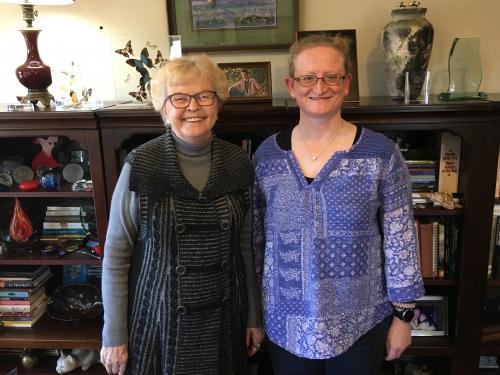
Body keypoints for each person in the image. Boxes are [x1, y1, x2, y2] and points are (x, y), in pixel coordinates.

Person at [252, 35, 425, 375]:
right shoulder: (266, 156)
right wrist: (254, 317)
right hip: (285, 325)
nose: (320, 86)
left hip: (361, 324)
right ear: (292, 85)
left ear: (346, 84)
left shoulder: (380, 154)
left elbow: (401, 240)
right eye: (308, 77)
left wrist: (404, 317)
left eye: (332, 76)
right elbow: (256, 241)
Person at [100, 53, 264, 375]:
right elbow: (117, 254)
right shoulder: (142, 163)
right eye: (179, 98)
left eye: (204, 96)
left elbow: (246, 247)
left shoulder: (239, 162)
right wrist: (114, 335)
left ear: (217, 104)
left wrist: (254, 318)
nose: (193, 106)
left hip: (225, 320)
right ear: (163, 108)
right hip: (157, 321)